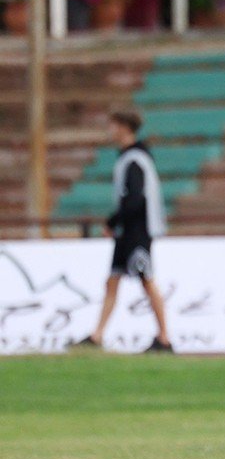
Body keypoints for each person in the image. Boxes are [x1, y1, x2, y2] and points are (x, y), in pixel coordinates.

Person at [75, 110, 171, 353]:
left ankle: (165, 338)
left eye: (113, 125)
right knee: (112, 281)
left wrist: (113, 221)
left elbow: (134, 199)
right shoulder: (131, 158)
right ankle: (96, 336)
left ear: (124, 128)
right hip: (128, 230)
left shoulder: (134, 160)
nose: (110, 131)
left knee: (146, 280)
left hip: (137, 230)